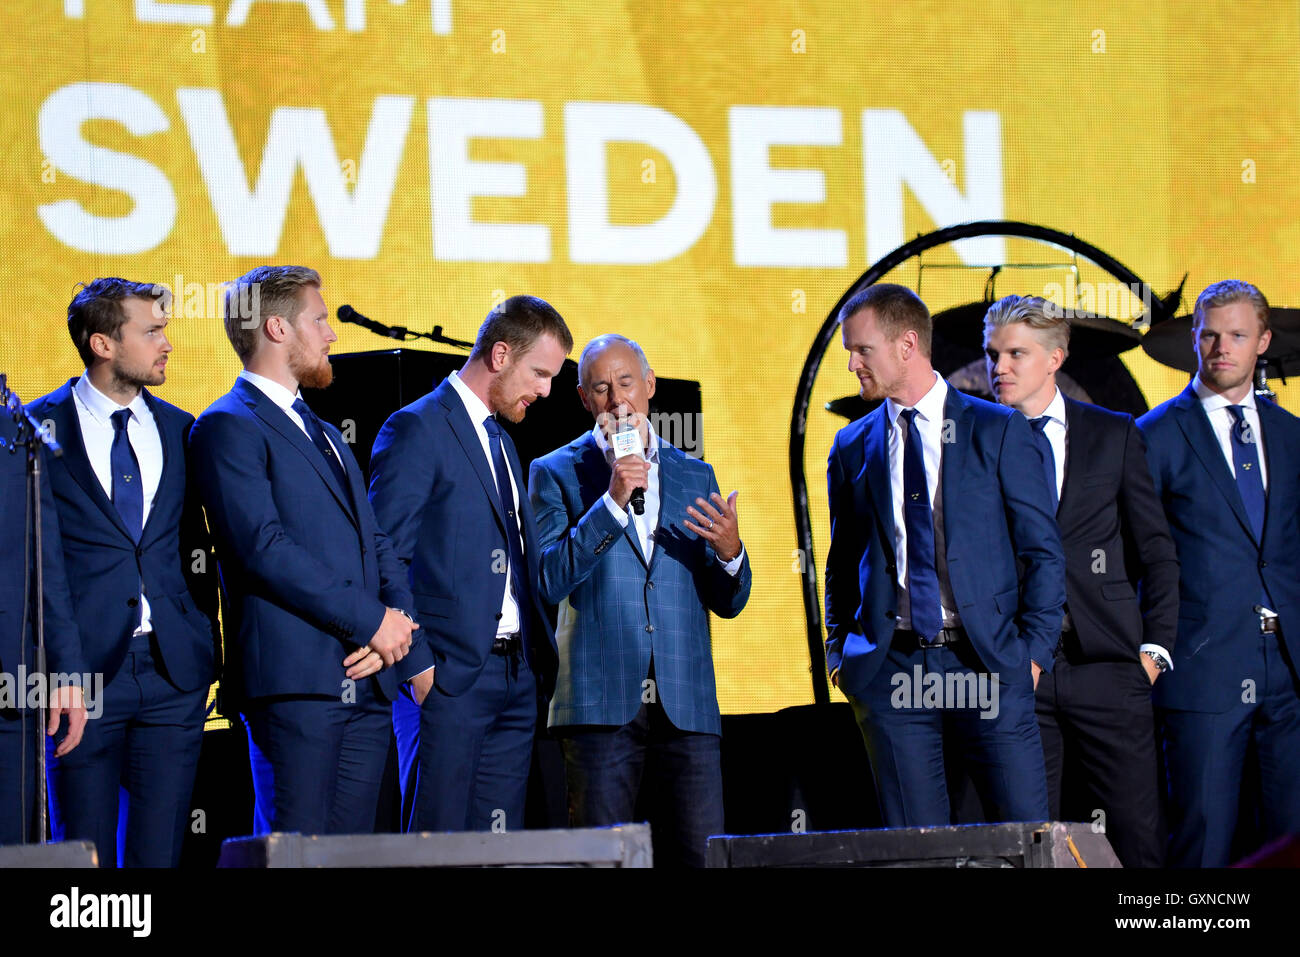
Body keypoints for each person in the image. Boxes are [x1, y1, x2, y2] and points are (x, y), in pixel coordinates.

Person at [190, 265, 427, 835]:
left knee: (350, 855)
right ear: (276, 328)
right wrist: (372, 621)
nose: (332, 334)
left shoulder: (321, 429)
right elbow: (263, 549)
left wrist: (399, 630)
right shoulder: (227, 426)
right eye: (319, 320)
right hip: (293, 684)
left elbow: (376, 541)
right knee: (297, 852)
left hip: (366, 676)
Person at [824, 283, 1064, 827]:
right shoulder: (851, 445)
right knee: (915, 851)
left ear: (907, 345)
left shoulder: (999, 429)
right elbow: (842, 565)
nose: (853, 365)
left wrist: (1031, 656)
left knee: (1024, 840)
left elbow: (1043, 554)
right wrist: (839, 652)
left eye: (862, 351)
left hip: (990, 664)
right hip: (891, 670)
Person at [528, 334, 751, 867]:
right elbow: (549, 580)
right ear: (583, 399)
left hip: (686, 704)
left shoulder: (696, 474)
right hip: (599, 703)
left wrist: (730, 553)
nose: (617, 400)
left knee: (699, 857)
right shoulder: (554, 472)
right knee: (608, 861)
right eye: (600, 388)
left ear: (649, 386)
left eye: (626, 383)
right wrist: (611, 502)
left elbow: (730, 602)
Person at [983, 295, 1178, 867]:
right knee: (1030, 843)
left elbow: (1157, 552)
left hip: (1111, 671)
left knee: (1135, 842)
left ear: (1055, 358)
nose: (1000, 367)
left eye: (1016, 353)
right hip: (1024, 675)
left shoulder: (1113, 434)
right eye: (993, 354)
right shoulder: (975, 438)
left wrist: (1153, 654)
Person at [29, 278, 218, 866]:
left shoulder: (180, 428)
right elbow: (38, 568)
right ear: (103, 344)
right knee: (82, 861)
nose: (167, 344)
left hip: (172, 675)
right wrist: (60, 671)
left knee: (158, 859)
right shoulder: (34, 431)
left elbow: (199, 549)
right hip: (80, 680)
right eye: (153, 331)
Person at [368, 295, 569, 832]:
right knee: (436, 848)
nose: (547, 391)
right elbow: (385, 553)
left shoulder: (504, 440)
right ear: (500, 355)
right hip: (449, 681)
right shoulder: (417, 428)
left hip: (514, 676)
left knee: (498, 851)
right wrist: (418, 667)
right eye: (540, 373)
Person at [1137, 280, 1300, 867]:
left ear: (1263, 342)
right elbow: (1134, 557)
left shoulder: (1292, 435)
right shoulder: (1154, 435)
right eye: (1209, 334)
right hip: (1203, 673)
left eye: (1236, 335)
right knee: (1202, 842)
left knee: (1290, 842)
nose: (1220, 347)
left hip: (1289, 673)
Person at [0, 398, 86, 846]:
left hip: (14, 687)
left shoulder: (15, 427)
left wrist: (68, 673)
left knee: (16, 839)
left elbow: (47, 564)